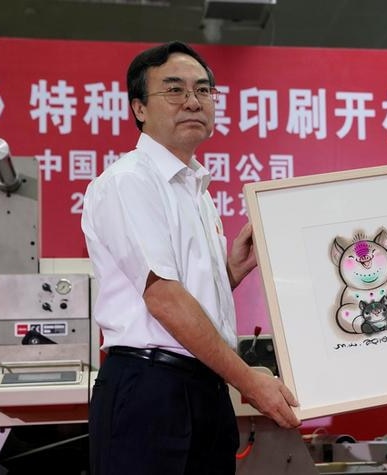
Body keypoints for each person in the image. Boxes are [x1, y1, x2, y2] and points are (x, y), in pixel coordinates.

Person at [81, 41, 300, 475]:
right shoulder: (129, 182)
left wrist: (231, 271)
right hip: (152, 391)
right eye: (175, 91)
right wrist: (248, 379)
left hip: (203, 387)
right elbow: (163, 299)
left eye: (203, 90)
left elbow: (185, 291)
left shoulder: (195, 190)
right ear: (139, 108)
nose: (193, 102)